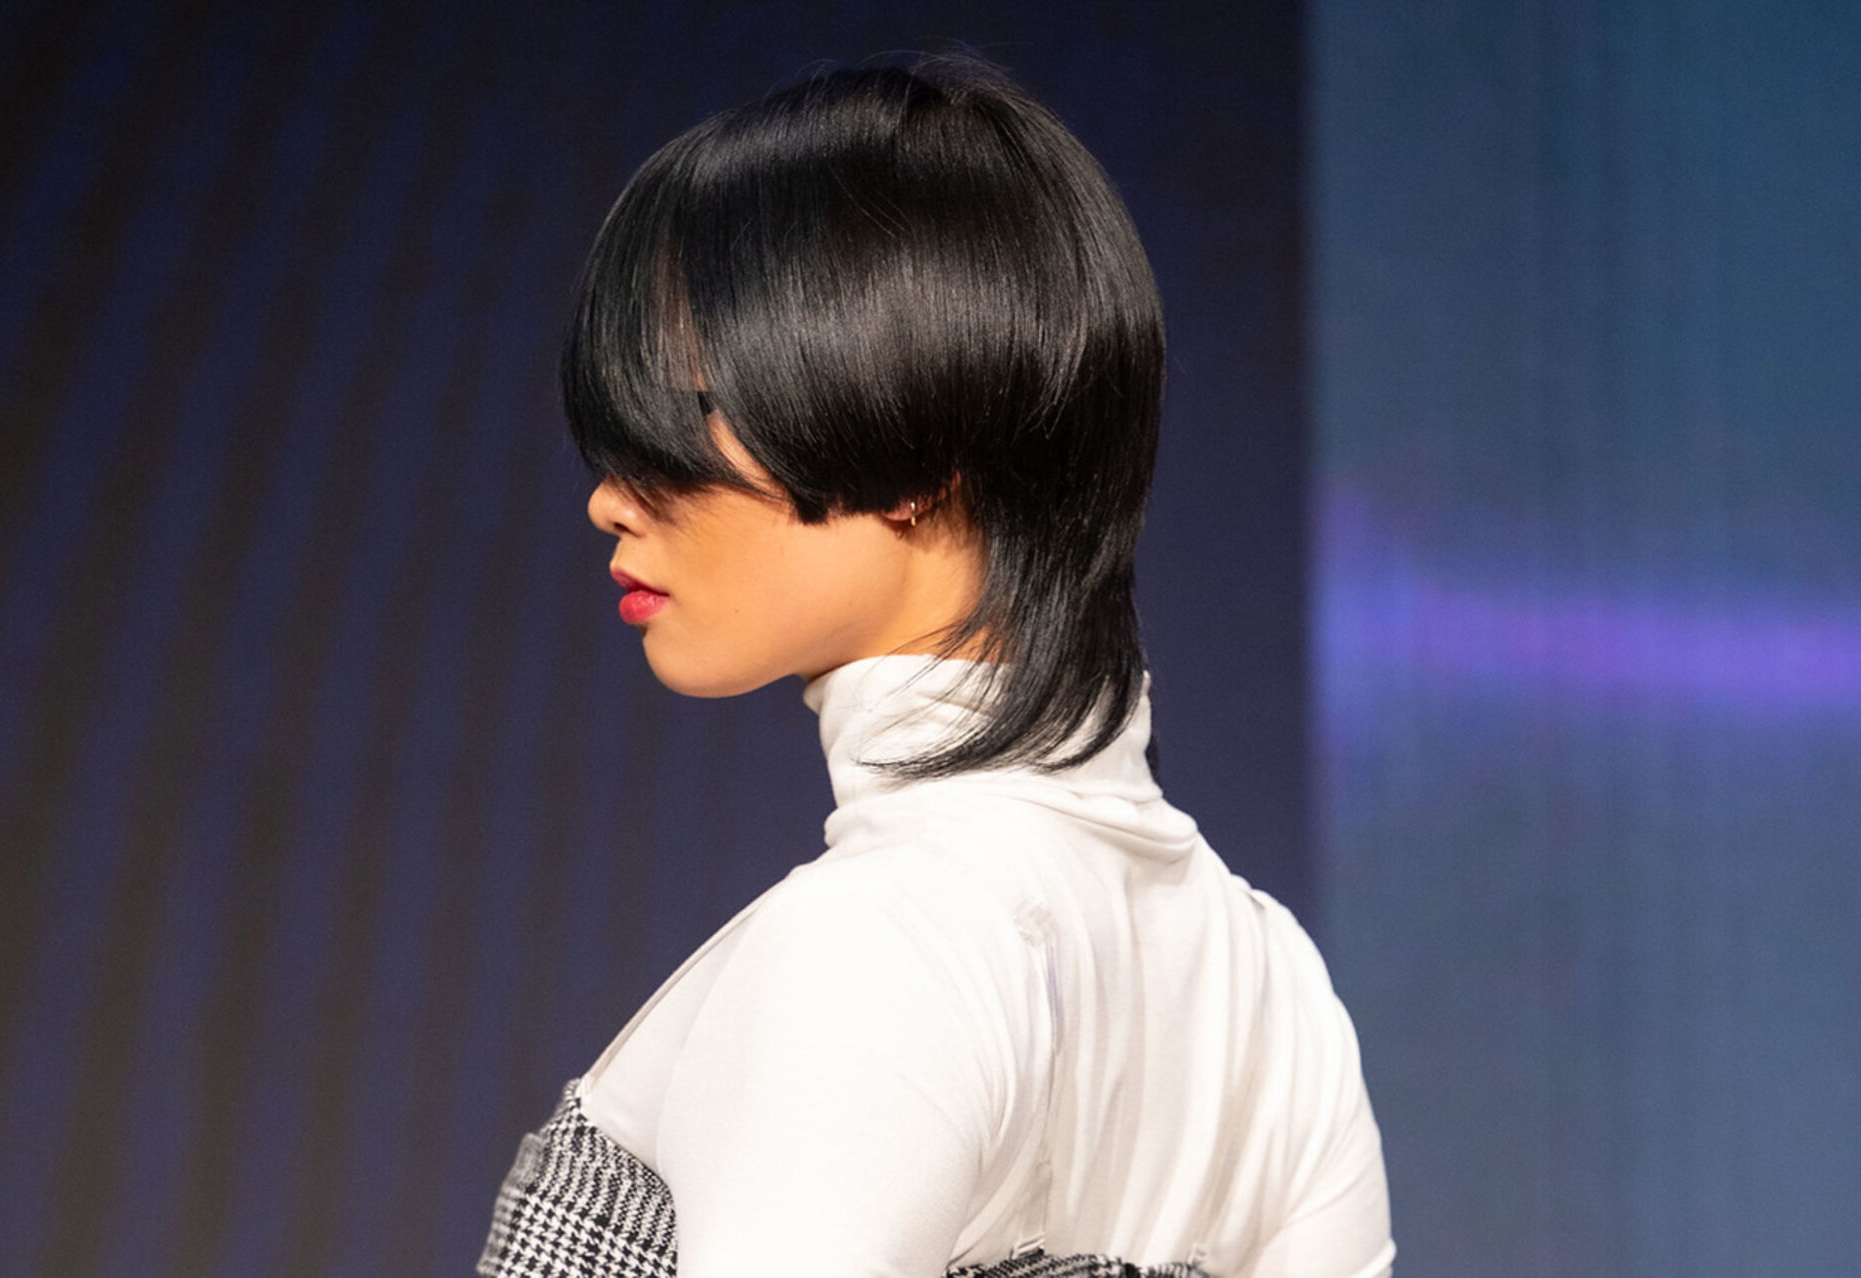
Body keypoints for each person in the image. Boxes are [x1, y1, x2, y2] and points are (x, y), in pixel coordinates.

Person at [478, 54, 1392, 1278]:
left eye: (685, 413)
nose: (609, 498)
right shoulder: (1273, 989)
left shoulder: (877, 940)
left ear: (913, 447)